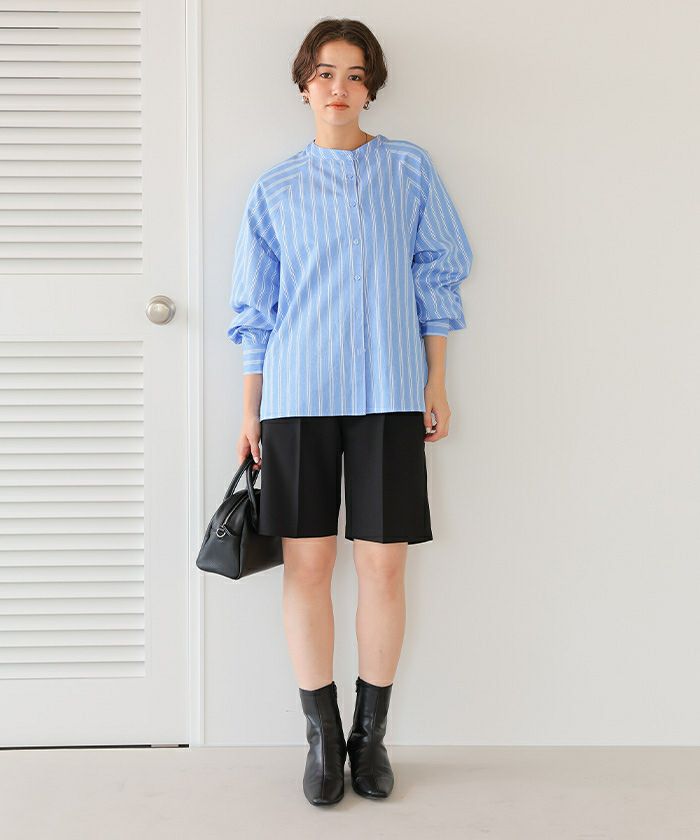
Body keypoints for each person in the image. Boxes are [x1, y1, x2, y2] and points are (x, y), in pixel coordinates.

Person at [227, 18, 474, 806]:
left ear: (372, 88)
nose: (339, 88)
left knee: (382, 565)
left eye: (356, 75)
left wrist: (436, 380)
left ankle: (371, 736)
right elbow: (255, 313)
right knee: (307, 566)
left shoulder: (408, 170)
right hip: (297, 398)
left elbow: (438, 274)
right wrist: (251, 412)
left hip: (390, 392)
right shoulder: (274, 189)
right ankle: (321, 737)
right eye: (326, 73)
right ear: (304, 83)